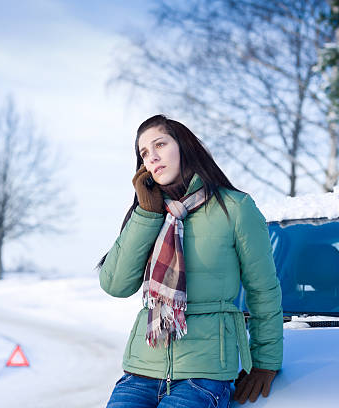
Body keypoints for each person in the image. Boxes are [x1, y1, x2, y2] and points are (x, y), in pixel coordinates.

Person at [97, 114, 283, 407]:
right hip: (141, 372)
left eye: (160, 144)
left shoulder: (236, 208)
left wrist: (265, 363)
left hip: (204, 374)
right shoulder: (149, 213)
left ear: (184, 146)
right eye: (144, 153)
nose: (152, 157)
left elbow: (263, 291)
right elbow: (116, 284)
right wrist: (146, 214)